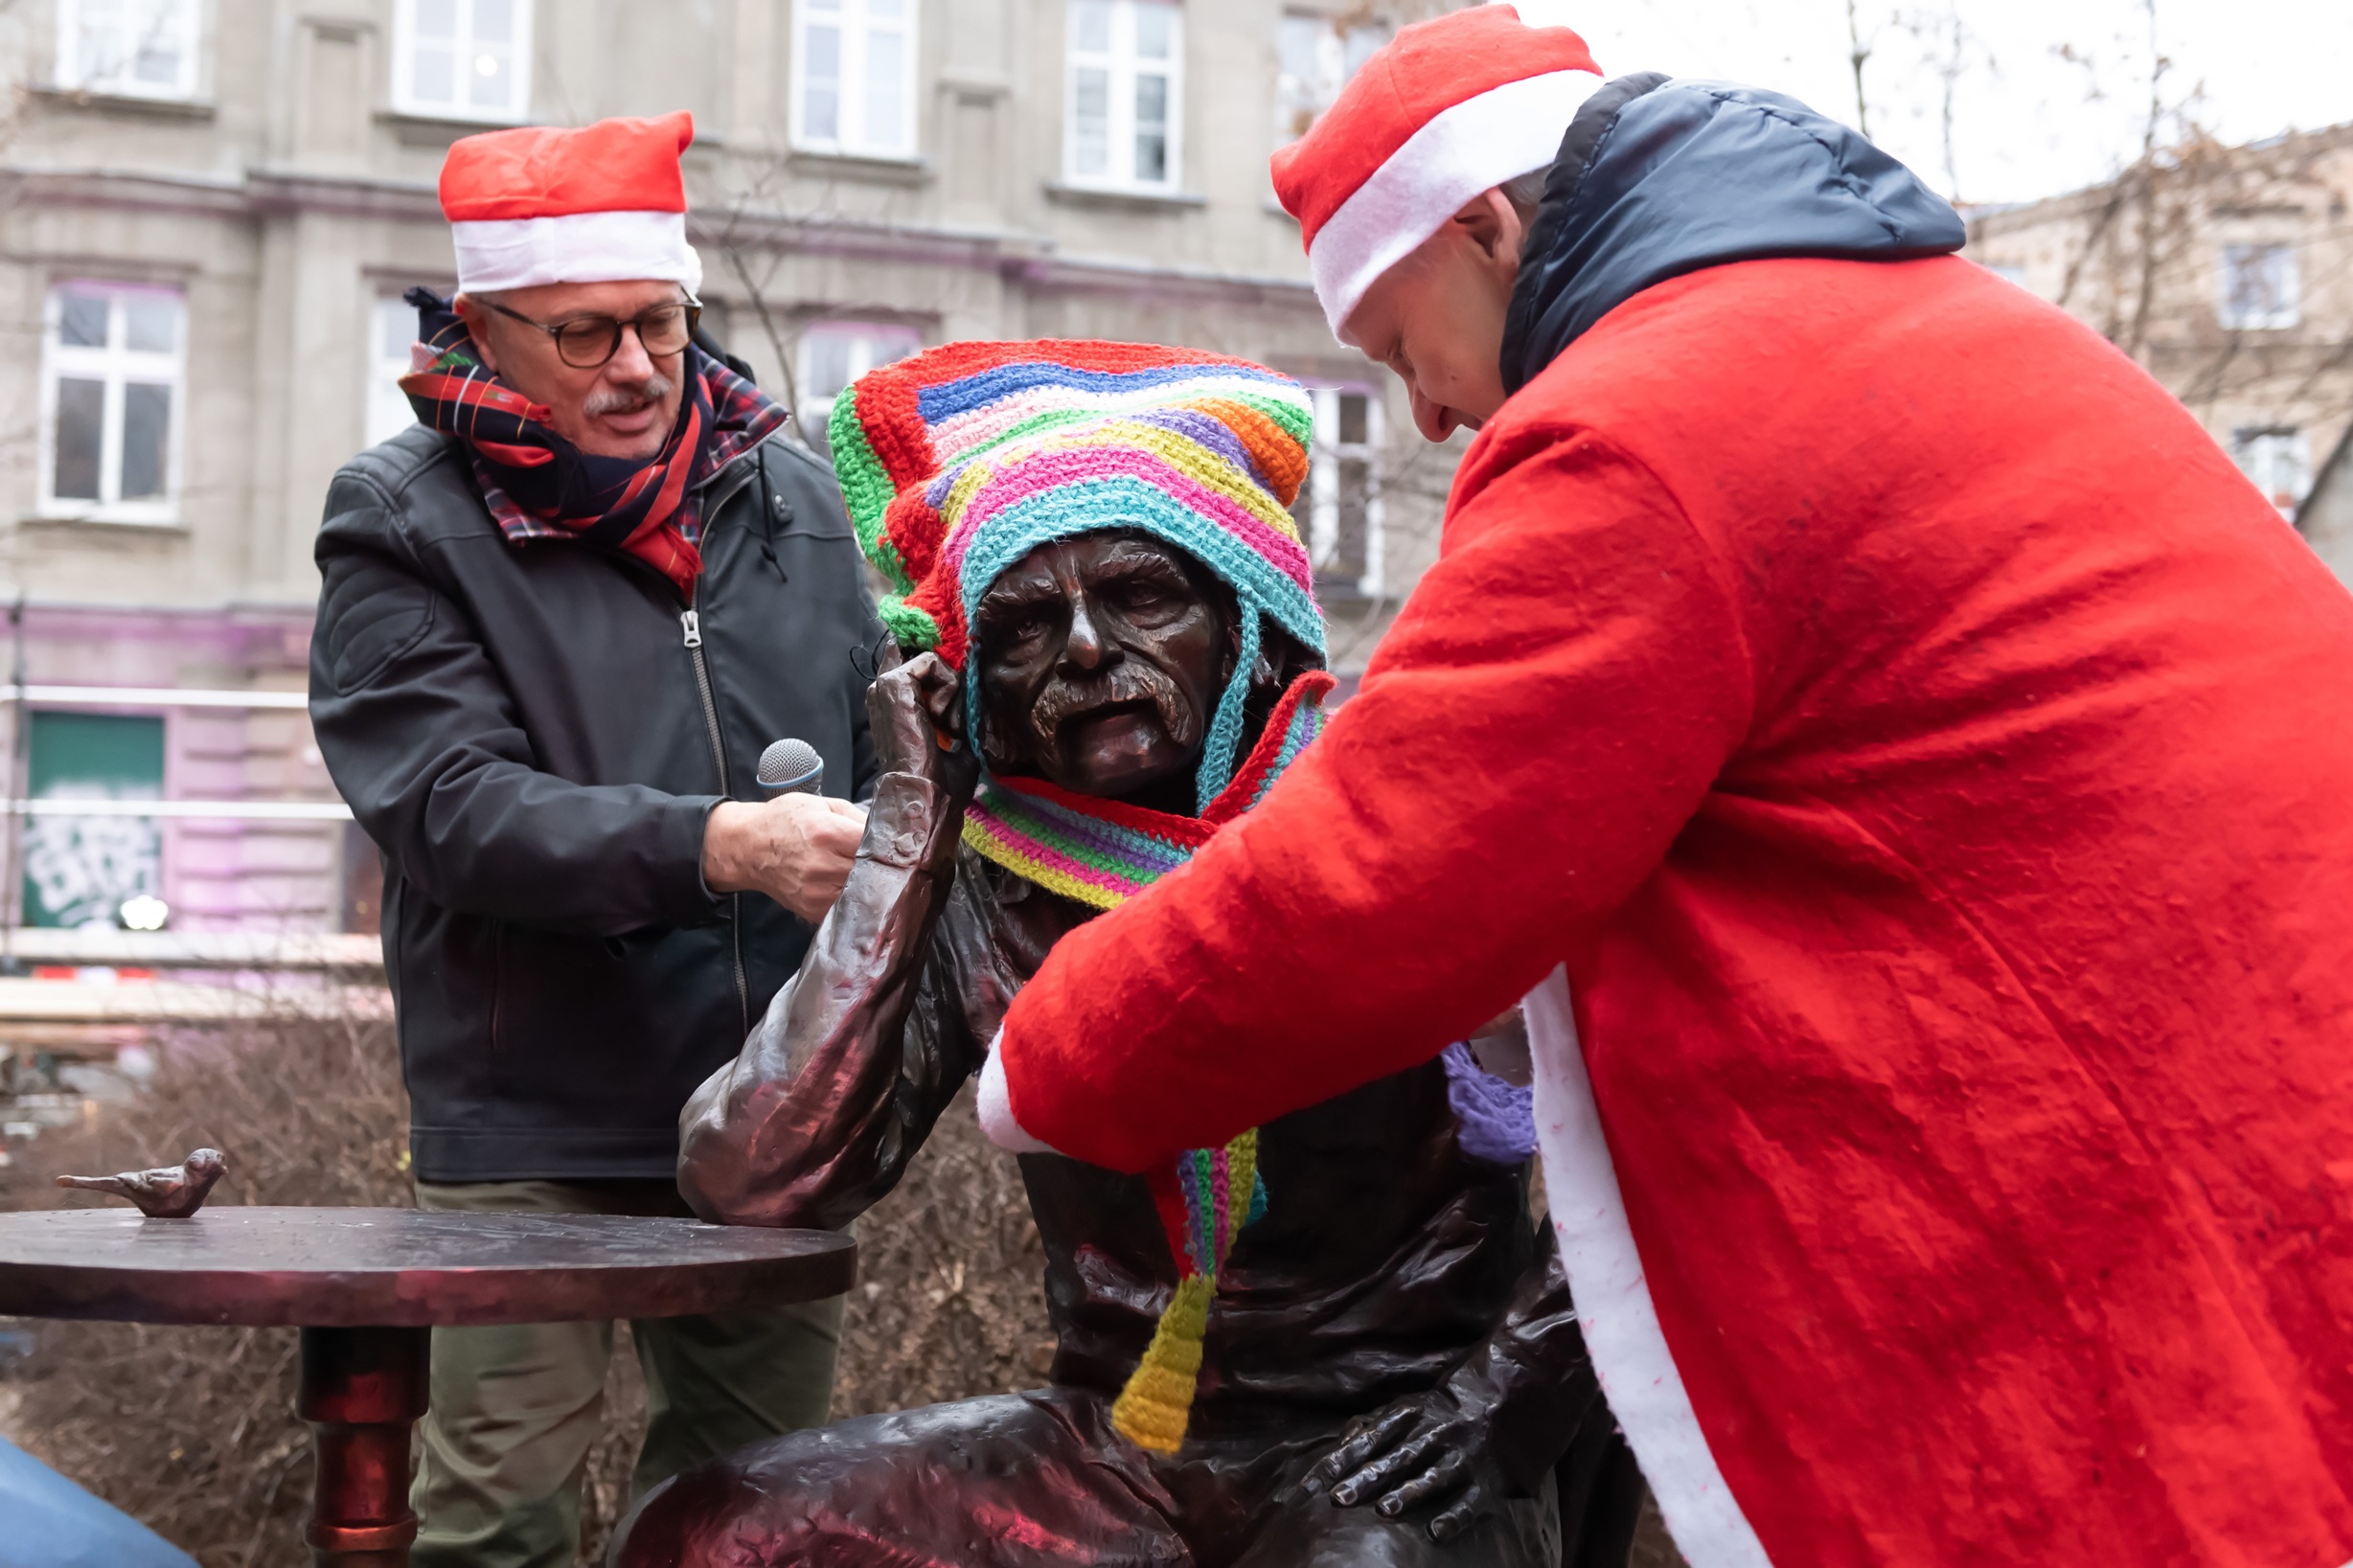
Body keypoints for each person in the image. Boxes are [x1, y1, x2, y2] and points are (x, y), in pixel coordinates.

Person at [969, 11, 2353, 1568]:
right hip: (2260, 1068)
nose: (1422, 412)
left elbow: (1380, 879)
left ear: (1484, 226)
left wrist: (1040, 1059)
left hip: (2111, 1128)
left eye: (1394, 342)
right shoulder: (1926, 319)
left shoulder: (1644, 424)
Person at [607, 342, 1640, 1568]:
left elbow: (1654, 1155)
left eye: (1140, 593)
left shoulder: (1408, 818)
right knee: (712, 1537)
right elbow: (753, 1179)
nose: (1085, 650)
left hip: (1392, 1439)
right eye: (1026, 624)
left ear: (1246, 624)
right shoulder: (993, 884)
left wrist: (1493, 1411)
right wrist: (908, 823)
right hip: (1110, 1452)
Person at [307, 111, 877, 1568]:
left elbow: (886, 737)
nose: (632, 365)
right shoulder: (401, 517)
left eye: (657, 321)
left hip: (766, 1108)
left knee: (749, 1512)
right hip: (531, 1123)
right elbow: (446, 810)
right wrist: (721, 846)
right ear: (482, 330)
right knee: (496, 1520)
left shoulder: (792, 492)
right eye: (580, 335)